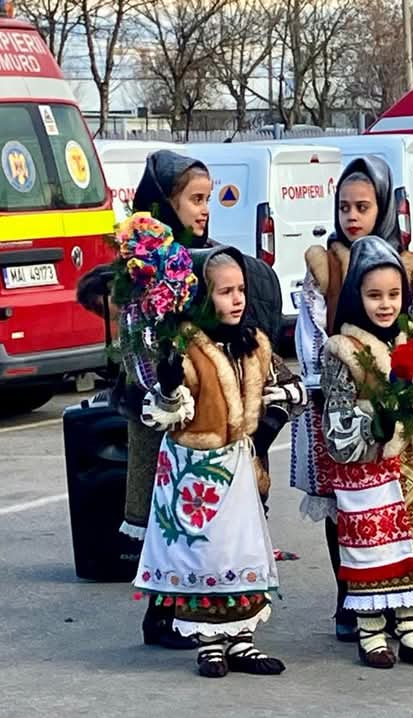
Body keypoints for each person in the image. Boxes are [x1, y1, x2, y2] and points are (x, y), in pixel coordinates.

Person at [77, 151, 284, 649]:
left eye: (208, 199)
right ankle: (163, 615)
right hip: (161, 417)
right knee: (166, 519)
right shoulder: (143, 265)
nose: (204, 209)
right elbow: (109, 305)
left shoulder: (208, 258)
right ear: (163, 202)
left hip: (216, 412)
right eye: (194, 199)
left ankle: (213, 614)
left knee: (209, 524)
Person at [291, 156, 413, 642]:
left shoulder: (404, 265)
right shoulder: (323, 265)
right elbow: (310, 336)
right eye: (343, 206)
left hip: (401, 407)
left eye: (363, 206)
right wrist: (343, 372)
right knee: (344, 509)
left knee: (403, 507)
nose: (351, 216)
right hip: (340, 404)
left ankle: (404, 598)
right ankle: (351, 599)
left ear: (383, 207)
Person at [133, 246, 307, 678]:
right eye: (225, 291)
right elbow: (163, 410)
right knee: (203, 556)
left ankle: (242, 641)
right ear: (201, 297)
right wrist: (170, 385)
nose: (237, 299)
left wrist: (267, 425)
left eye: (241, 290)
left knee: (241, 549)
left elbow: (293, 388)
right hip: (195, 471)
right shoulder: (187, 347)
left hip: (239, 469)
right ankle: (209, 643)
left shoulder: (256, 344)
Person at [318, 236, 413, 668]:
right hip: (365, 470)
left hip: (407, 469)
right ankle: (371, 631)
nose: (385, 304)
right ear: (355, 297)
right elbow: (335, 415)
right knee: (370, 550)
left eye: (393, 294)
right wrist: (375, 424)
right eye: (373, 295)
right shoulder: (343, 350)